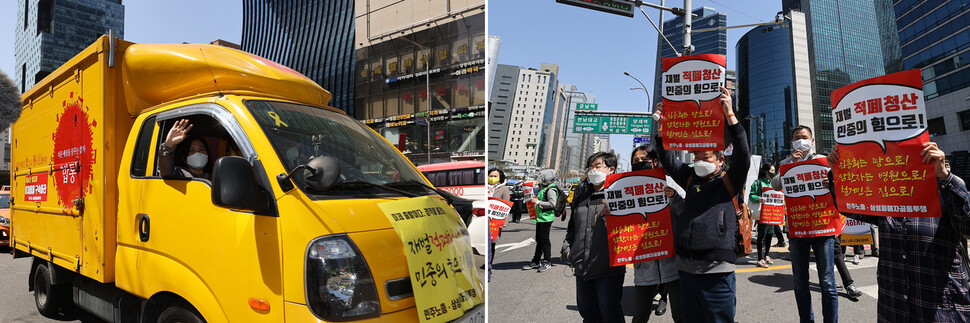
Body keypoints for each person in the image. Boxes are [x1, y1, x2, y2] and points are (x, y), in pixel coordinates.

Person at [826, 142, 970, 321]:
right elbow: (848, 205)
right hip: (893, 308)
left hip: (941, 308)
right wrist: (839, 169)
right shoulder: (885, 198)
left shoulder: (944, 190)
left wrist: (944, 178)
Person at [654, 86, 749, 322]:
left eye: (705, 157)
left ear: (719, 160)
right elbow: (667, 158)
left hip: (717, 272)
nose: (699, 162)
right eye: (695, 157)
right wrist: (661, 127)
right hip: (685, 271)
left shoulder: (730, 180)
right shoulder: (689, 179)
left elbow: (744, 155)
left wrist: (729, 114)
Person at [771, 125, 837, 323]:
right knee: (800, 282)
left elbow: (840, 183)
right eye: (797, 137)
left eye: (804, 137)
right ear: (792, 142)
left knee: (827, 282)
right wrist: (792, 164)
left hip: (822, 227)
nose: (801, 140)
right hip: (797, 228)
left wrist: (831, 182)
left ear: (812, 140)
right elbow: (775, 185)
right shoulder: (787, 162)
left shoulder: (824, 161)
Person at [562, 152, 626, 323]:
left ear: (611, 169)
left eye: (597, 167)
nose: (592, 171)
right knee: (587, 313)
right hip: (582, 269)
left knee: (610, 315)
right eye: (589, 168)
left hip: (609, 271)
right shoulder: (581, 199)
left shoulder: (622, 197)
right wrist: (568, 251)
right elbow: (572, 229)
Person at [630, 146, 683, 323]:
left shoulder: (671, 182)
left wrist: (674, 197)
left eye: (643, 159)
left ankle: (663, 298)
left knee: (681, 315)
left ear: (654, 161)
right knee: (640, 316)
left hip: (673, 263)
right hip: (644, 265)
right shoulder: (626, 188)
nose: (639, 163)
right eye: (635, 161)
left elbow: (686, 214)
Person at [524, 169, 558, 273]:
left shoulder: (551, 189)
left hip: (546, 218)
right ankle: (536, 261)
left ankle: (547, 261)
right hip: (541, 217)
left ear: (547, 178)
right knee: (539, 239)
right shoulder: (545, 188)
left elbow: (552, 204)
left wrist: (537, 202)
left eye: (542, 177)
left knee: (544, 240)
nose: (540, 179)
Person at [749, 163, 778, 268]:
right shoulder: (758, 183)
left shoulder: (773, 183)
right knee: (761, 235)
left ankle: (766, 255)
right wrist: (759, 199)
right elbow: (751, 195)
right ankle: (759, 258)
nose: (773, 172)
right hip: (762, 213)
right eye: (772, 170)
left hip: (772, 213)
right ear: (766, 171)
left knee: (770, 234)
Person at [488, 168, 511, 281]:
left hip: (496, 221)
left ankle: (489, 267)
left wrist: (504, 222)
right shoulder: (485, 188)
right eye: (490, 176)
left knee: (491, 245)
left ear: (500, 177)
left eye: (495, 176)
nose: (492, 178)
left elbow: (506, 207)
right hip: (483, 218)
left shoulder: (504, 189)